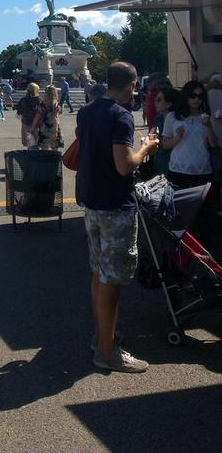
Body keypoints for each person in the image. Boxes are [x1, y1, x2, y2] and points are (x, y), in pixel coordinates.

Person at [77, 61, 159, 374]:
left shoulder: (87, 111)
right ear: (131, 84)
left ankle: (103, 335)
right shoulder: (121, 116)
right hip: (115, 204)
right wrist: (147, 147)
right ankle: (108, 350)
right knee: (113, 278)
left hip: (93, 201)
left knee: (99, 271)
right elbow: (125, 165)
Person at [161, 80, 218, 189]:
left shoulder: (206, 117)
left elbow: (213, 144)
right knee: (178, 205)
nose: (197, 99)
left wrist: (209, 126)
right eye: (193, 96)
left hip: (202, 170)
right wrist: (177, 138)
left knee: (203, 206)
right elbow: (165, 144)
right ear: (186, 96)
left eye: (200, 96)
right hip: (178, 170)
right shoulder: (173, 117)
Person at [150, 87, 179, 176]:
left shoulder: (178, 121)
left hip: (174, 165)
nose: (155, 102)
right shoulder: (158, 119)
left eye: (159, 100)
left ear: (168, 104)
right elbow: (152, 136)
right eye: (155, 99)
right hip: (159, 163)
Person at [31, 85, 60, 149]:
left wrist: (33, 128)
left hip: (44, 128)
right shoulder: (56, 105)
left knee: (44, 148)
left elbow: (37, 117)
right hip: (53, 127)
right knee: (54, 148)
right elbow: (55, 118)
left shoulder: (42, 105)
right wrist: (56, 131)